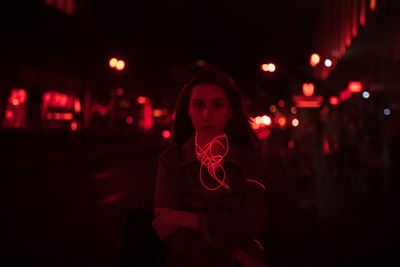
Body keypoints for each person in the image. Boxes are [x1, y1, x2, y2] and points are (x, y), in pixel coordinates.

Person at [152, 64, 268, 266]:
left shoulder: (249, 159)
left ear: (231, 111)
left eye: (217, 105)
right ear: (187, 110)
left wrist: (187, 219)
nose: (207, 114)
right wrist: (235, 255)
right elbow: (166, 228)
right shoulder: (171, 160)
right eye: (198, 105)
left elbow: (252, 221)